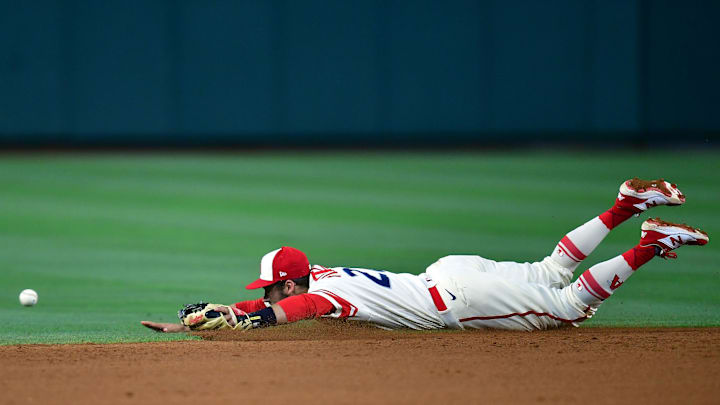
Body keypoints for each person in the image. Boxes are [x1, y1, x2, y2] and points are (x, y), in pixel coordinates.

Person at [141, 178, 708, 333]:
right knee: (549, 269)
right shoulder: (321, 270)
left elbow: (305, 309)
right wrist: (230, 313)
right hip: (450, 270)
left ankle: (648, 243)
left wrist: (253, 318)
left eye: (267, 288)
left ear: (288, 285)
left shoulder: (317, 295)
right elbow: (298, 298)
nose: (265, 294)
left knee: (566, 307)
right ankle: (624, 206)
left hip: (459, 298)